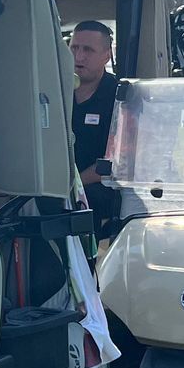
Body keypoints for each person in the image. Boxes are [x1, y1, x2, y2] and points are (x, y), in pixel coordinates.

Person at [69, 19, 121, 229]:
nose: (79, 57)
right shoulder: (53, 91)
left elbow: (118, 160)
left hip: (98, 188)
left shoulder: (119, 95)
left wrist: (75, 184)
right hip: (58, 185)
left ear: (106, 56)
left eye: (88, 50)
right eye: (74, 48)